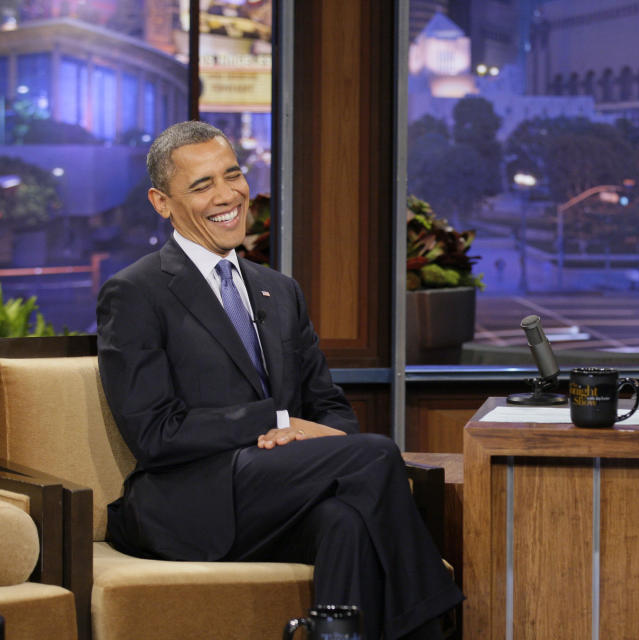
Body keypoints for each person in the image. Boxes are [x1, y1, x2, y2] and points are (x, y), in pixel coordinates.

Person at [97, 121, 462, 640]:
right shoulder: (136, 292)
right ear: (162, 202)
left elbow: (330, 407)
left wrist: (305, 434)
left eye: (233, 175)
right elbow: (156, 435)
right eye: (202, 185)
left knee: (347, 523)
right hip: (189, 500)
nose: (227, 196)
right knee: (376, 454)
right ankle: (435, 623)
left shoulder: (279, 291)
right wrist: (279, 422)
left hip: (281, 494)